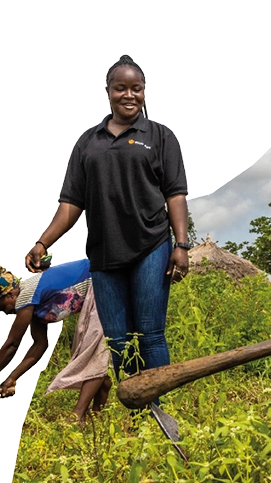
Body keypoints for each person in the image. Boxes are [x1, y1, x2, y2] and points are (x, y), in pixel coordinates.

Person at [24, 53, 190, 401]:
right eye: (120, 88)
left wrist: (181, 244)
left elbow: (175, 194)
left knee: (149, 334)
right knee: (118, 339)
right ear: (108, 91)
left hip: (151, 245)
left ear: (145, 92)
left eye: (136, 88)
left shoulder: (159, 137)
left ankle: (160, 409)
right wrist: (43, 243)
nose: (129, 95)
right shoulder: (88, 143)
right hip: (104, 254)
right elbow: (72, 204)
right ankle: (138, 410)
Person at [0, 259, 112, 423]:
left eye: (3, 307)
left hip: (102, 278)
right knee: (96, 360)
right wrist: (12, 378)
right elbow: (40, 344)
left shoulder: (26, 294)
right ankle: (98, 423)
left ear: (11, 294)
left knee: (93, 353)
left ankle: (76, 417)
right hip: (98, 288)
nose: (6, 313)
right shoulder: (33, 304)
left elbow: (12, 345)